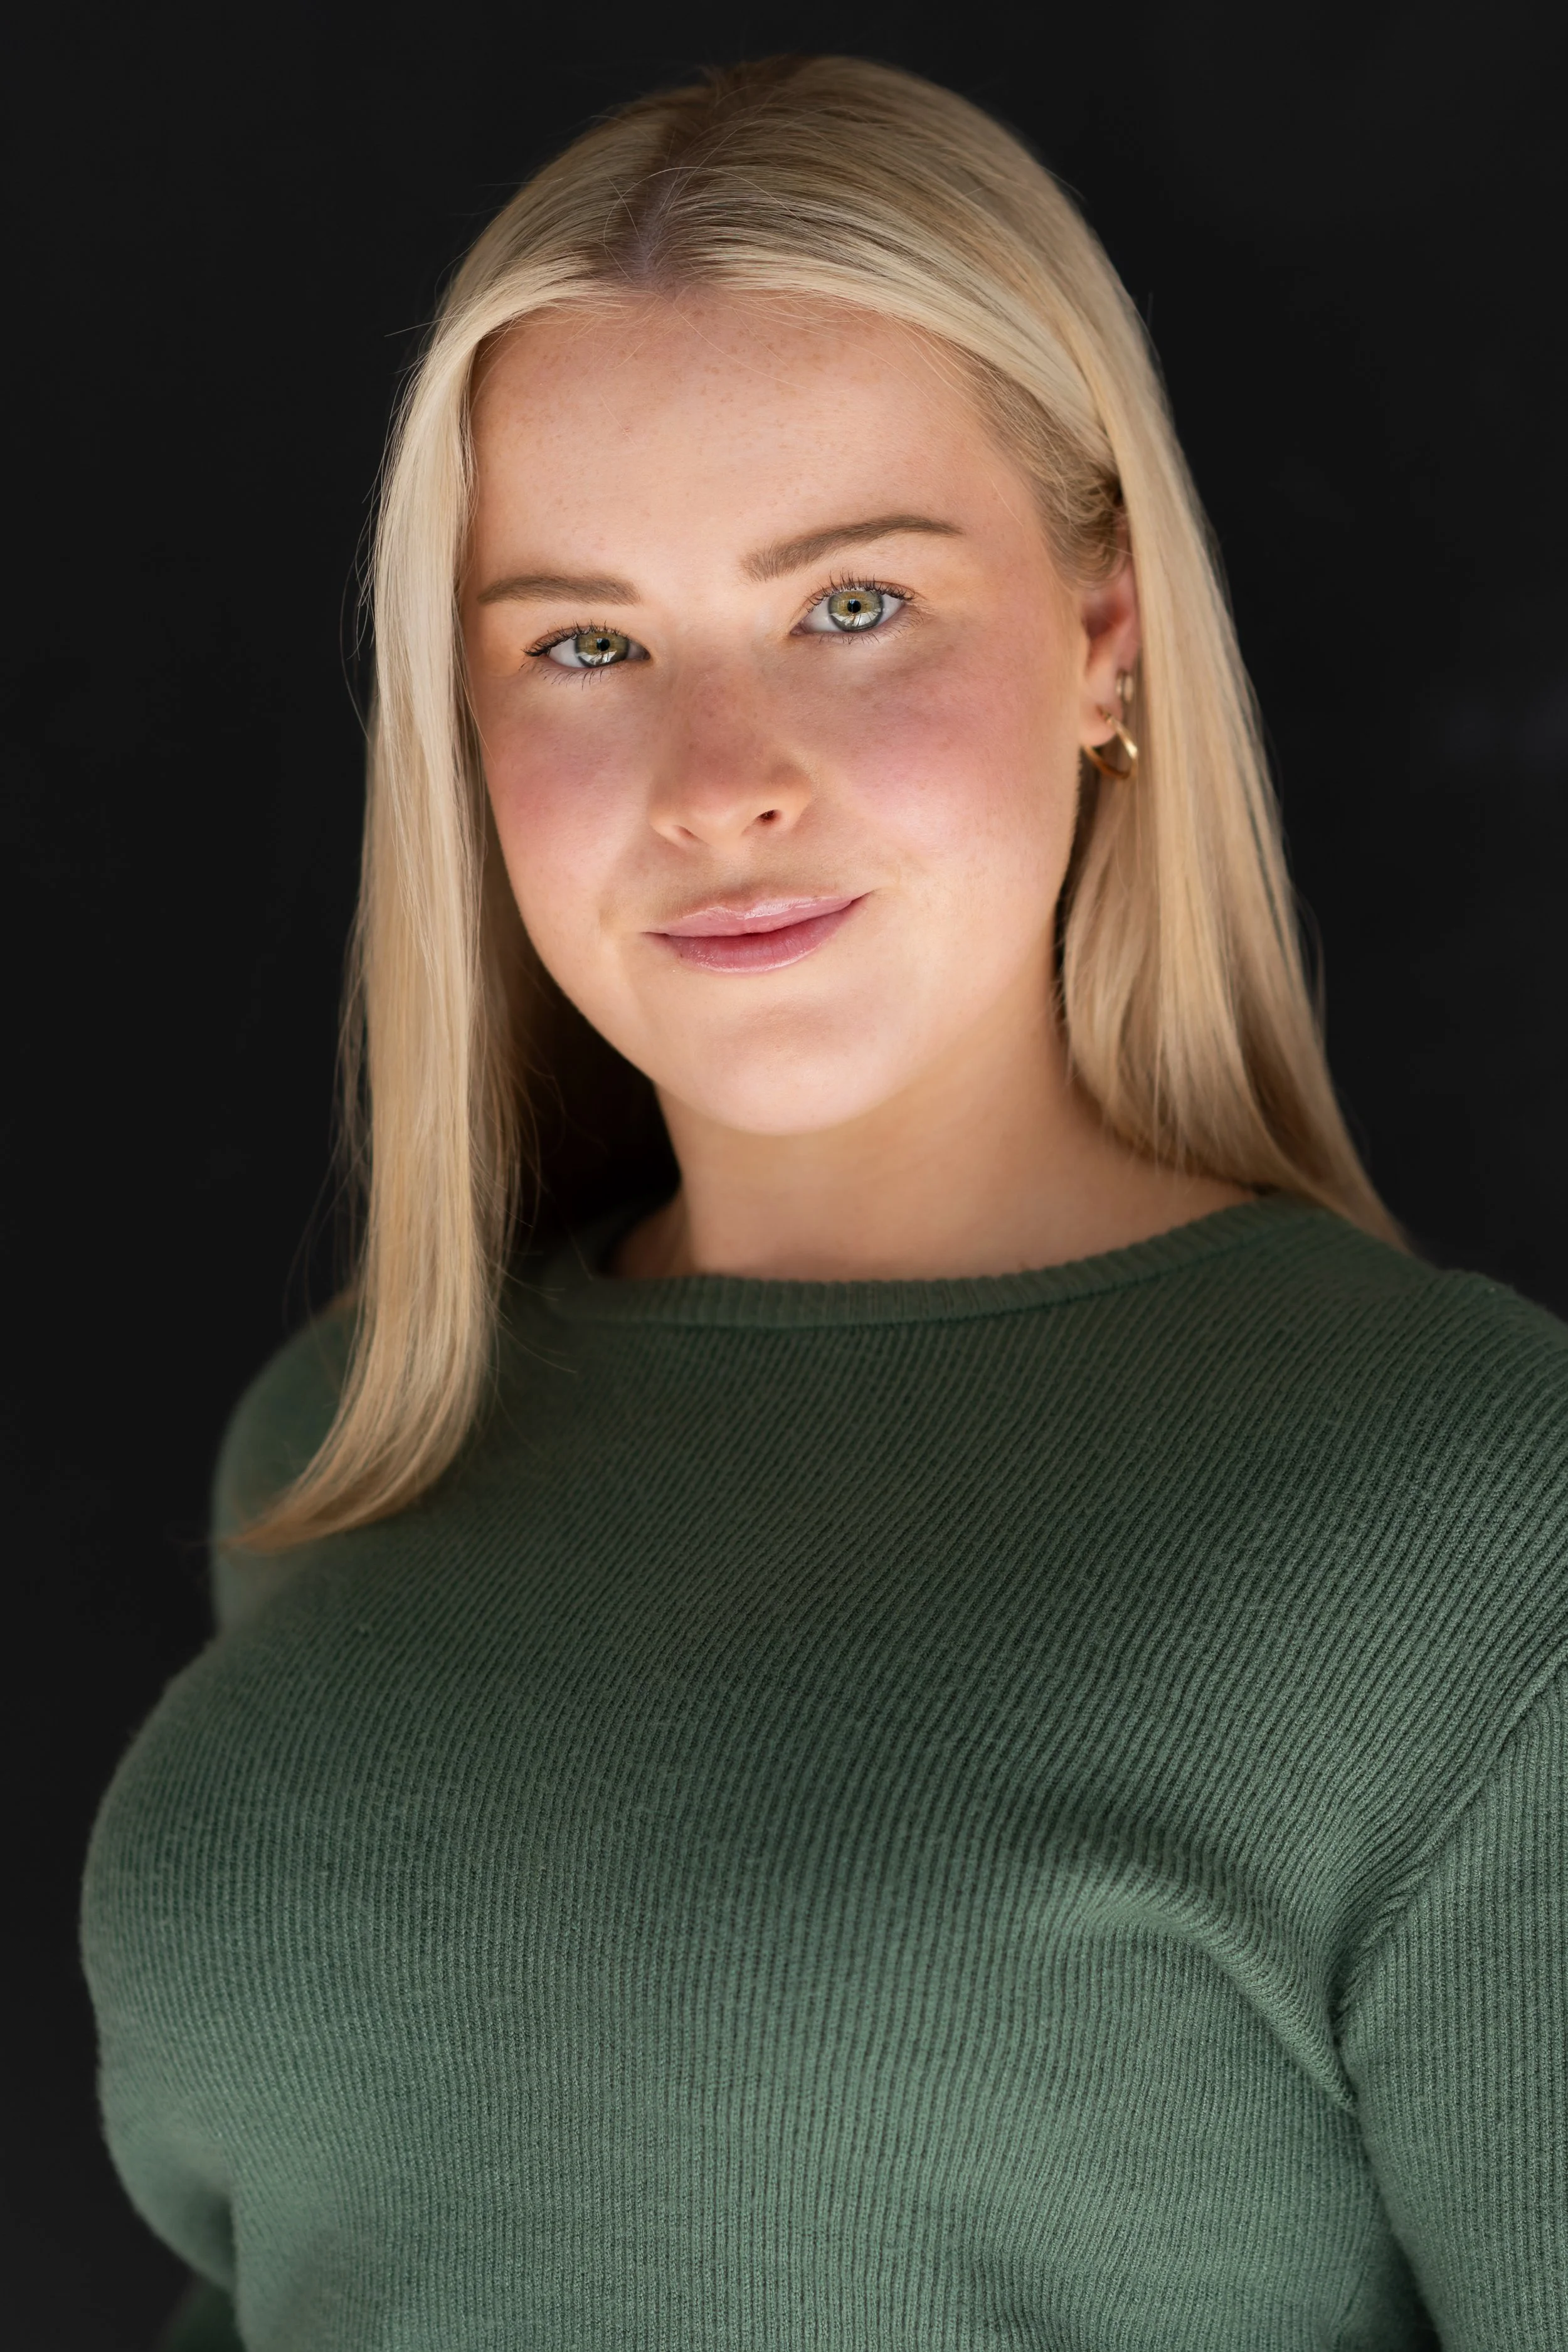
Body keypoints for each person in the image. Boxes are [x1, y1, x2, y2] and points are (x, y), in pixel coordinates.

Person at [82, 54, 1568, 2352]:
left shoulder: (1471, 1527)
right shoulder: (351, 1443)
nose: (717, 784)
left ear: (1102, 637)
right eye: (582, 642)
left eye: (852, 603)